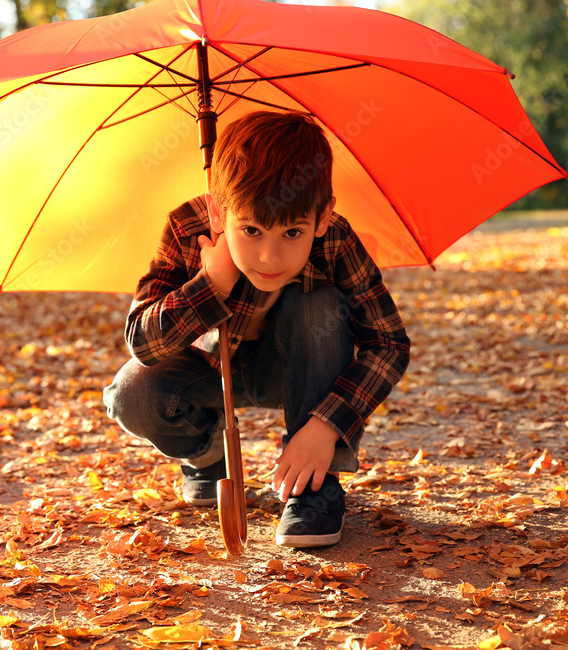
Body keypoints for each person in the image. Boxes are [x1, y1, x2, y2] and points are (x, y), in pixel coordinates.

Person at [103, 110, 410, 548]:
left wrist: (325, 427)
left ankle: (314, 485)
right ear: (217, 211)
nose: (268, 257)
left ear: (321, 218)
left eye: (291, 233)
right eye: (250, 229)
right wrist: (210, 285)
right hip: (210, 371)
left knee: (319, 304)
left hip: (295, 370)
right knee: (132, 393)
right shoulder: (188, 227)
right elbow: (143, 343)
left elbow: (388, 343)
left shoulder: (335, 240)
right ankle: (207, 456)